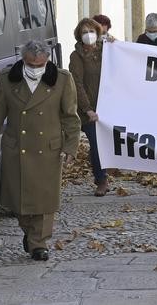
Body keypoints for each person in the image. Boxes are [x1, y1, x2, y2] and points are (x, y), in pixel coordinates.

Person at [0, 40, 81, 261]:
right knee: (18, 200)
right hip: (16, 148)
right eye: (31, 64)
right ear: (23, 60)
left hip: (48, 148)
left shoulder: (62, 79)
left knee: (45, 199)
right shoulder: (9, 79)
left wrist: (70, 148)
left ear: (47, 60)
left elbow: (70, 117)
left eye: (40, 64)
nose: (36, 68)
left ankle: (39, 243)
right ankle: (29, 232)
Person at [68, 18, 110, 196]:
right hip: (88, 110)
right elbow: (76, 83)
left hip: (108, 105)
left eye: (91, 31)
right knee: (96, 142)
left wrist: (115, 42)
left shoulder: (106, 50)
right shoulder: (76, 56)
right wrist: (87, 109)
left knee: (108, 142)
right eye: (84, 32)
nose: (88, 35)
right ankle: (101, 180)